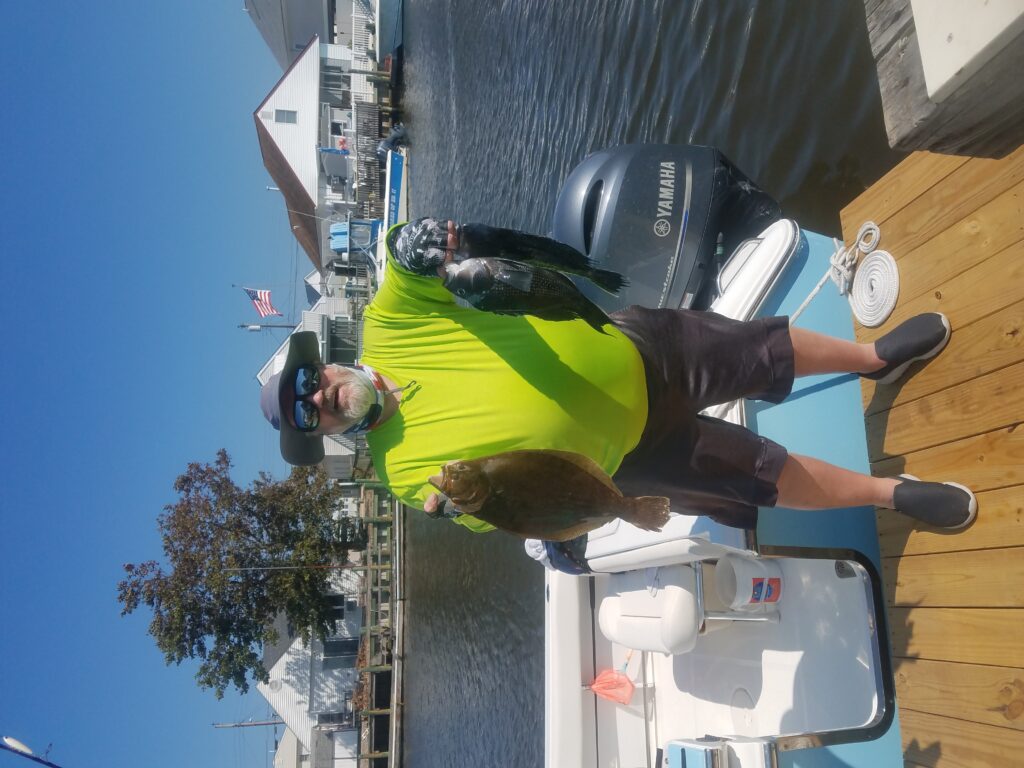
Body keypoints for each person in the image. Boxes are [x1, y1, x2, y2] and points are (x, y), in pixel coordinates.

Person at [260, 217, 977, 534]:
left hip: (634, 348)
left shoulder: (389, 322)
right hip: (625, 468)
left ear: (323, 360)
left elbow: (401, 268)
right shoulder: (397, 474)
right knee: (759, 473)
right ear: (323, 431)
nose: (318, 398)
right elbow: (505, 512)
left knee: (763, 349)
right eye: (310, 413)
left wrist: (411, 247)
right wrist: (462, 510)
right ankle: (892, 495)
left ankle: (875, 358)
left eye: (309, 381)